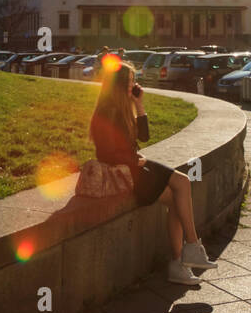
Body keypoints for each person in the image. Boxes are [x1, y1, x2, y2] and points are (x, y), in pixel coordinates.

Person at [89, 61, 216, 286]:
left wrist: (139, 106)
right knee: (180, 190)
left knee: (181, 187)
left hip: (135, 167)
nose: (134, 85)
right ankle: (185, 256)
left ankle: (186, 255)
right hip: (126, 174)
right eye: (130, 82)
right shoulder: (107, 111)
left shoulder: (123, 106)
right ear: (118, 85)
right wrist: (135, 161)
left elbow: (144, 137)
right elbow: (106, 152)